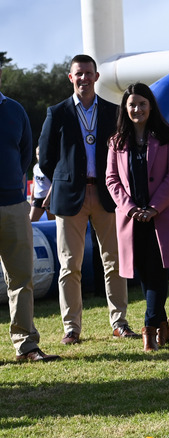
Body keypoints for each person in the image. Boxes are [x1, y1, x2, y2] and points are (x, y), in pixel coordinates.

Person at [38, 54, 139, 345]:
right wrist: (65, 177)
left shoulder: (113, 111)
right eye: (78, 74)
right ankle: (72, 328)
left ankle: (119, 322)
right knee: (70, 265)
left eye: (88, 73)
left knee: (114, 262)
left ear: (96, 77)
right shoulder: (56, 112)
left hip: (108, 194)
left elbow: (124, 152)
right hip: (70, 197)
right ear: (71, 78)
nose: (83, 78)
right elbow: (46, 158)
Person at [106, 82, 169, 352]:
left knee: (157, 272)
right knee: (146, 275)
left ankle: (149, 329)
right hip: (132, 219)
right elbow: (112, 180)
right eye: (132, 104)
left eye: (142, 104)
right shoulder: (117, 141)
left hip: (162, 217)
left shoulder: (168, 135)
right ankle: (163, 320)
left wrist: (154, 208)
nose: (137, 109)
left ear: (151, 106)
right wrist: (131, 208)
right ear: (125, 108)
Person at [0, 67, 60, 362]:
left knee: (22, 278)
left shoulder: (15, 110)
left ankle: (26, 346)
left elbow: (24, 155)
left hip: (13, 205)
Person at [29, 146, 55, 222]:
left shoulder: (50, 168)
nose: (39, 156)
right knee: (31, 221)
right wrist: (32, 197)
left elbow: (54, 184)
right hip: (38, 198)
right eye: (37, 154)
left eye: (41, 154)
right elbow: (34, 183)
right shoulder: (35, 167)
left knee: (52, 223)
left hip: (49, 199)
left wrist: (47, 199)